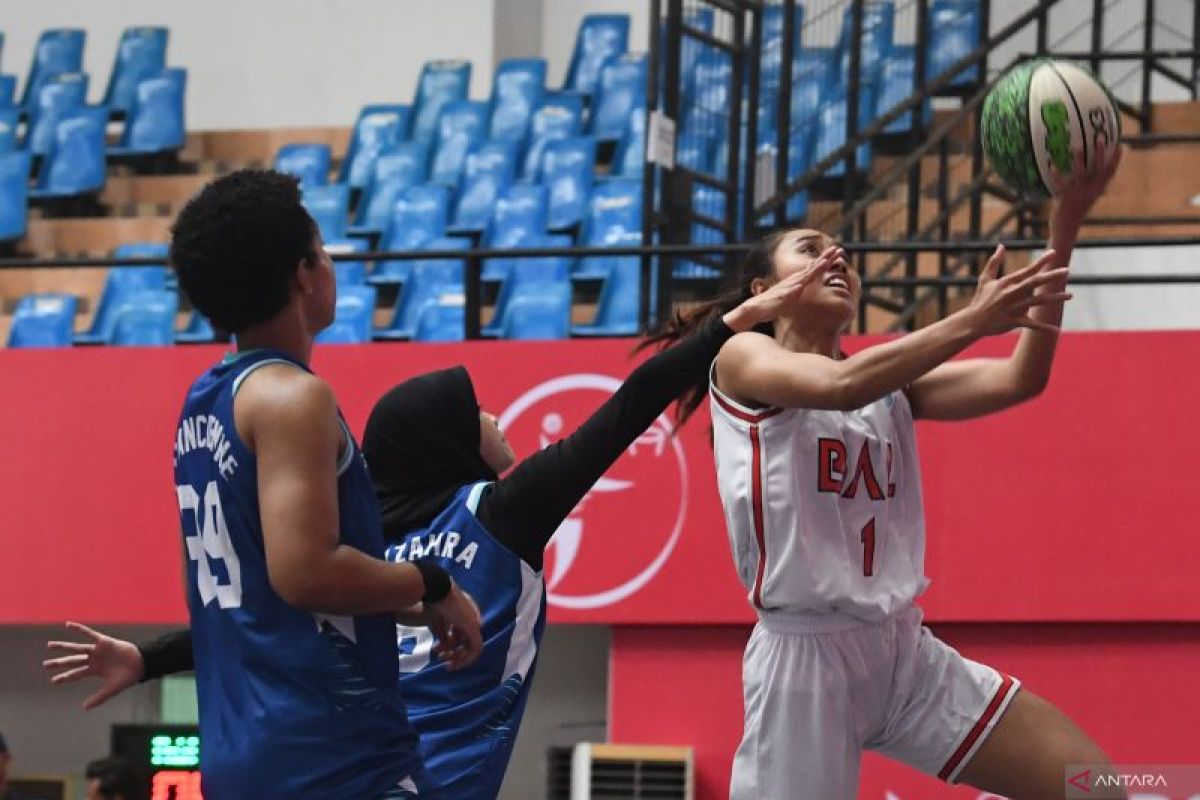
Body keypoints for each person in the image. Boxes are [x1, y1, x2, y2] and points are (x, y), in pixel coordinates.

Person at [45, 260, 825, 799]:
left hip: (330, 766)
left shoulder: (354, 546)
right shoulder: (506, 512)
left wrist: (146, 658)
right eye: (476, 410)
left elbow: (269, 607)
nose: (493, 416)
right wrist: (738, 320)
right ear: (447, 441)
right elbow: (633, 404)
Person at [645, 148, 1124, 799]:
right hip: (804, 661)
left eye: (842, 251)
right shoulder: (741, 358)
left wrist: (1064, 225)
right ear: (764, 291)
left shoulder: (886, 384)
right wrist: (972, 318)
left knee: (1096, 786)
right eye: (810, 248)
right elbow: (840, 384)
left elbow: (1022, 377)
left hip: (902, 650)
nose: (836, 257)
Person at [42, 170, 482, 800]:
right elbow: (305, 574)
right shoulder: (292, 398)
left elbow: (265, 601)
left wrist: (424, 605)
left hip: (248, 762)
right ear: (303, 274)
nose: (331, 263)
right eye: (323, 250)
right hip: (333, 761)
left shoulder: (205, 400)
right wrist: (434, 581)